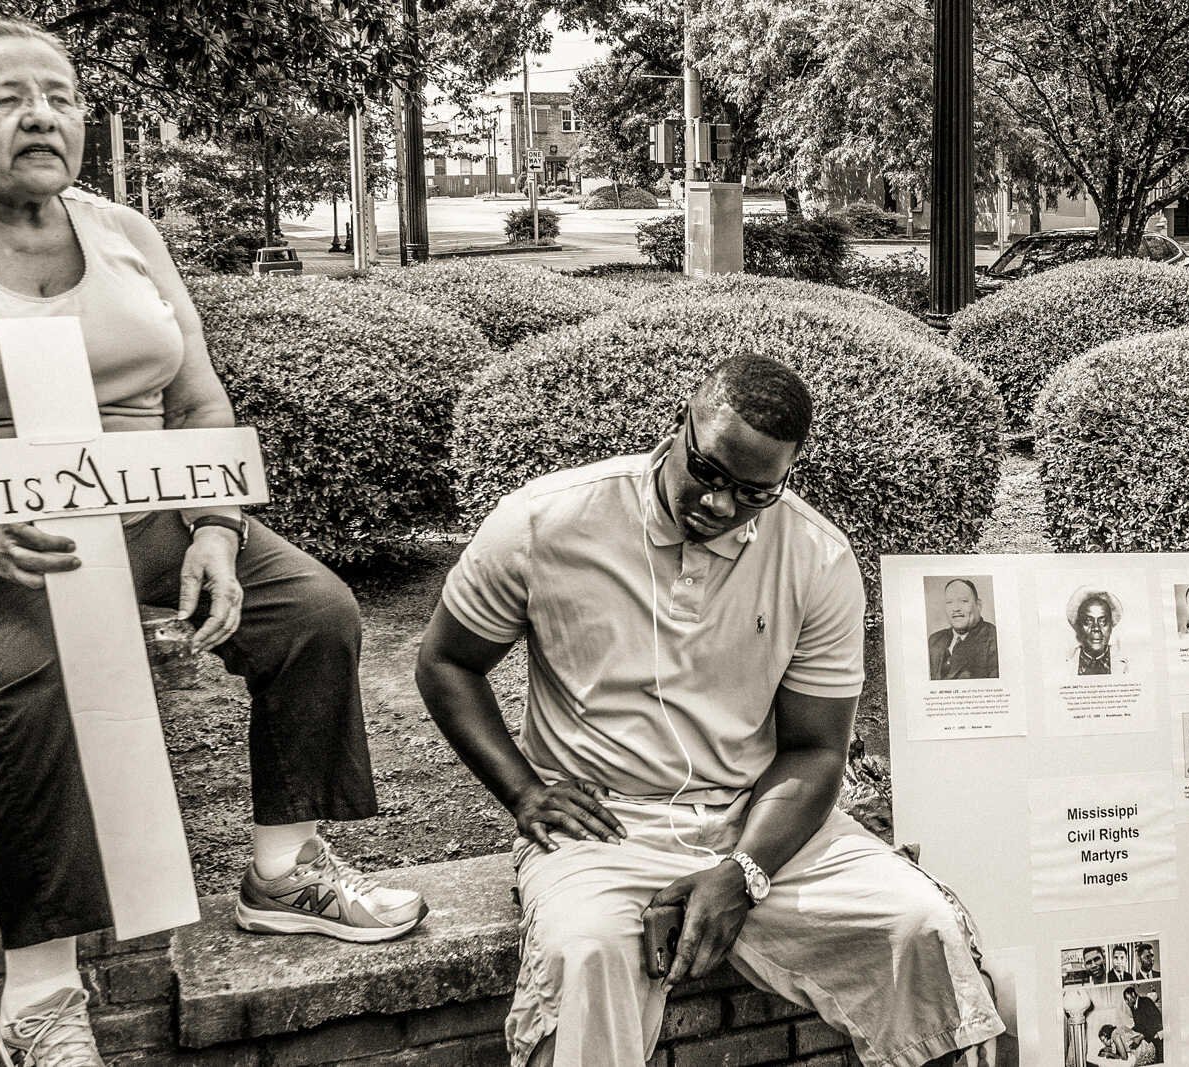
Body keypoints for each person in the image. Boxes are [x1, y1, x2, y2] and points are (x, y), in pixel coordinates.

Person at [0, 17, 425, 1065]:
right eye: (6, 98)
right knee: (33, 664)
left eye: (59, 95)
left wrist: (217, 528)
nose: (40, 115)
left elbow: (196, 399)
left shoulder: (128, 233)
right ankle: (40, 994)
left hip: (133, 513)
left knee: (311, 609)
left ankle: (282, 873)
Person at [415, 354, 1003, 1067]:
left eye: (755, 492)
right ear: (678, 426)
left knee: (921, 926)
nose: (722, 505)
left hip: (758, 821)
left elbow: (816, 750)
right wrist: (524, 790)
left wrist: (745, 870)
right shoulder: (546, 520)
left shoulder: (816, 557)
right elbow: (447, 661)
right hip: (602, 825)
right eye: (709, 472)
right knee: (587, 955)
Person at [928, 579, 1000, 680]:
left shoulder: (995, 640)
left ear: (978, 605)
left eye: (964, 601)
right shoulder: (934, 641)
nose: (956, 608)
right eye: (949, 602)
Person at [1065, 589, 1129, 676]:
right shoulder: (1066, 666)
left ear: (1111, 626)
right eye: (1088, 621)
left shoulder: (1125, 667)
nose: (1096, 628)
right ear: (1079, 626)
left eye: (1103, 621)